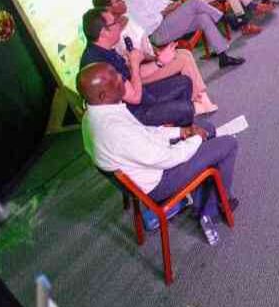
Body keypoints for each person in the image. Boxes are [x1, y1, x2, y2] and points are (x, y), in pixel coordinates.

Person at [79, 62, 238, 246]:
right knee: (228, 144)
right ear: (102, 95)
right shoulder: (114, 129)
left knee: (207, 128)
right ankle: (212, 210)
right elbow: (167, 158)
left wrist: (182, 132)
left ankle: (201, 198)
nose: (122, 79)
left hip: (146, 169)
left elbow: (145, 133)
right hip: (160, 181)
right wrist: (196, 139)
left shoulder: (95, 114)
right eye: (115, 80)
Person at [92, 0, 216, 115]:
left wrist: (157, 52)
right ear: (108, 9)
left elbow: (145, 42)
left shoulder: (128, 18)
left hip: (152, 60)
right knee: (183, 59)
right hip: (141, 74)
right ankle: (199, 100)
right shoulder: (115, 35)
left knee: (184, 53)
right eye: (118, 1)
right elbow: (134, 60)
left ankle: (199, 97)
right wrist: (158, 58)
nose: (123, 1)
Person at [114, 0, 244, 69]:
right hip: (157, 32)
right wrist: (165, 12)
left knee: (203, 17)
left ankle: (223, 57)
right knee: (193, 2)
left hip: (171, 21)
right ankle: (227, 19)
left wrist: (174, 5)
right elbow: (144, 24)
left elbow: (164, 1)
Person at [80, 8, 196, 127]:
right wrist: (135, 63)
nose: (119, 24)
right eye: (115, 22)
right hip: (133, 114)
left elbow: (132, 77)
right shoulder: (98, 63)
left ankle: (175, 129)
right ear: (104, 32)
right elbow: (135, 98)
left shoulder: (105, 49)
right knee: (187, 109)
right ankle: (172, 134)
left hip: (141, 96)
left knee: (185, 82)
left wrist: (160, 62)